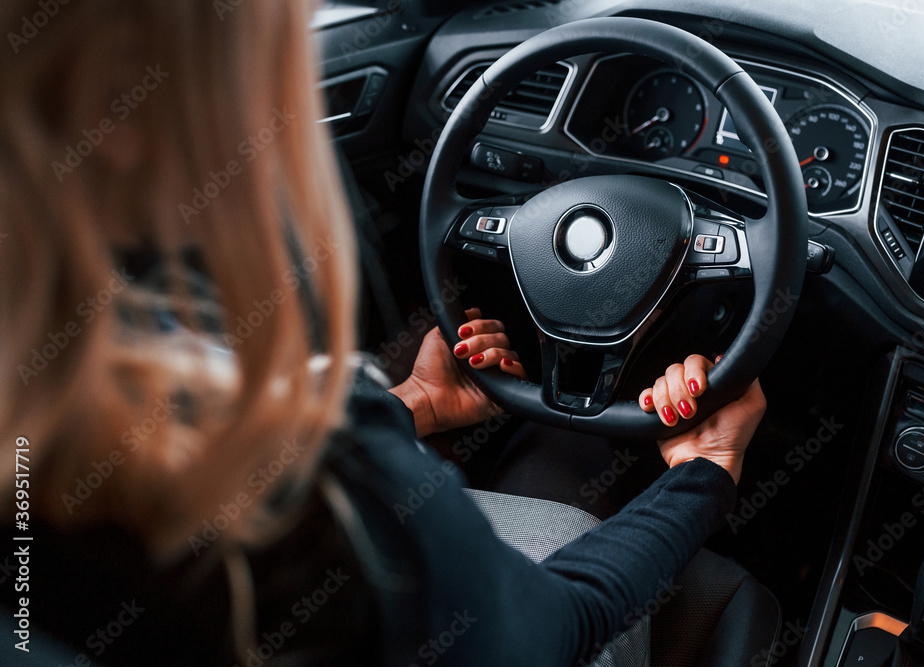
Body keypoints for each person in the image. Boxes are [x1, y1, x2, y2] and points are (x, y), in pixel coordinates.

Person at [0, 1, 765, 665]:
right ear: (116, 100)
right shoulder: (325, 490)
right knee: (737, 597)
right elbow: (556, 631)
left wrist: (414, 404)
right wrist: (705, 472)